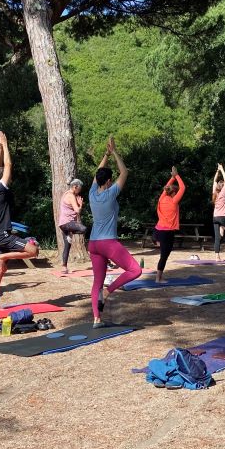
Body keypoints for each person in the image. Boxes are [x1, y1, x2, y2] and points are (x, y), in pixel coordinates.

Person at [88, 136, 142, 327]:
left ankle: (96, 319)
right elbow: (125, 171)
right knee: (136, 270)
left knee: (96, 282)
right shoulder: (111, 193)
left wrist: (106, 155)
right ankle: (108, 291)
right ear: (109, 181)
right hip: (108, 243)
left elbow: (97, 174)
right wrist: (115, 152)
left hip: (93, 244)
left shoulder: (92, 193)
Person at [0, 131, 40, 308]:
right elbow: (7, 164)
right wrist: (6, 144)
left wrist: (0, 147)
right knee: (33, 251)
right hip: (2, 235)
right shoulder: (1, 186)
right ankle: (4, 256)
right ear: (3, 178)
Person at [153, 166, 186, 283]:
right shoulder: (173, 201)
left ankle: (159, 277)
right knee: (164, 255)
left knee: (164, 253)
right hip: (167, 232)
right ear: (174, 194)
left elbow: (166, 188)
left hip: (158, 230)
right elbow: (183, 187)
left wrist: (172, 178)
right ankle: (158, 278)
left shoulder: (162, 198)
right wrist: (176, 175)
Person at [58, 177, 87, 273]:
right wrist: (80, 204)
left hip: (62, 224)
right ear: (75, 187)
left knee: (67, 245)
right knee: (84, 229)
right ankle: (71, 233)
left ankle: (64, 267)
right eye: (79, 189)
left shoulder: (66, 193)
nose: (80, 191)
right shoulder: (71, 196)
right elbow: (77, 210)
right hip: (68, 223)